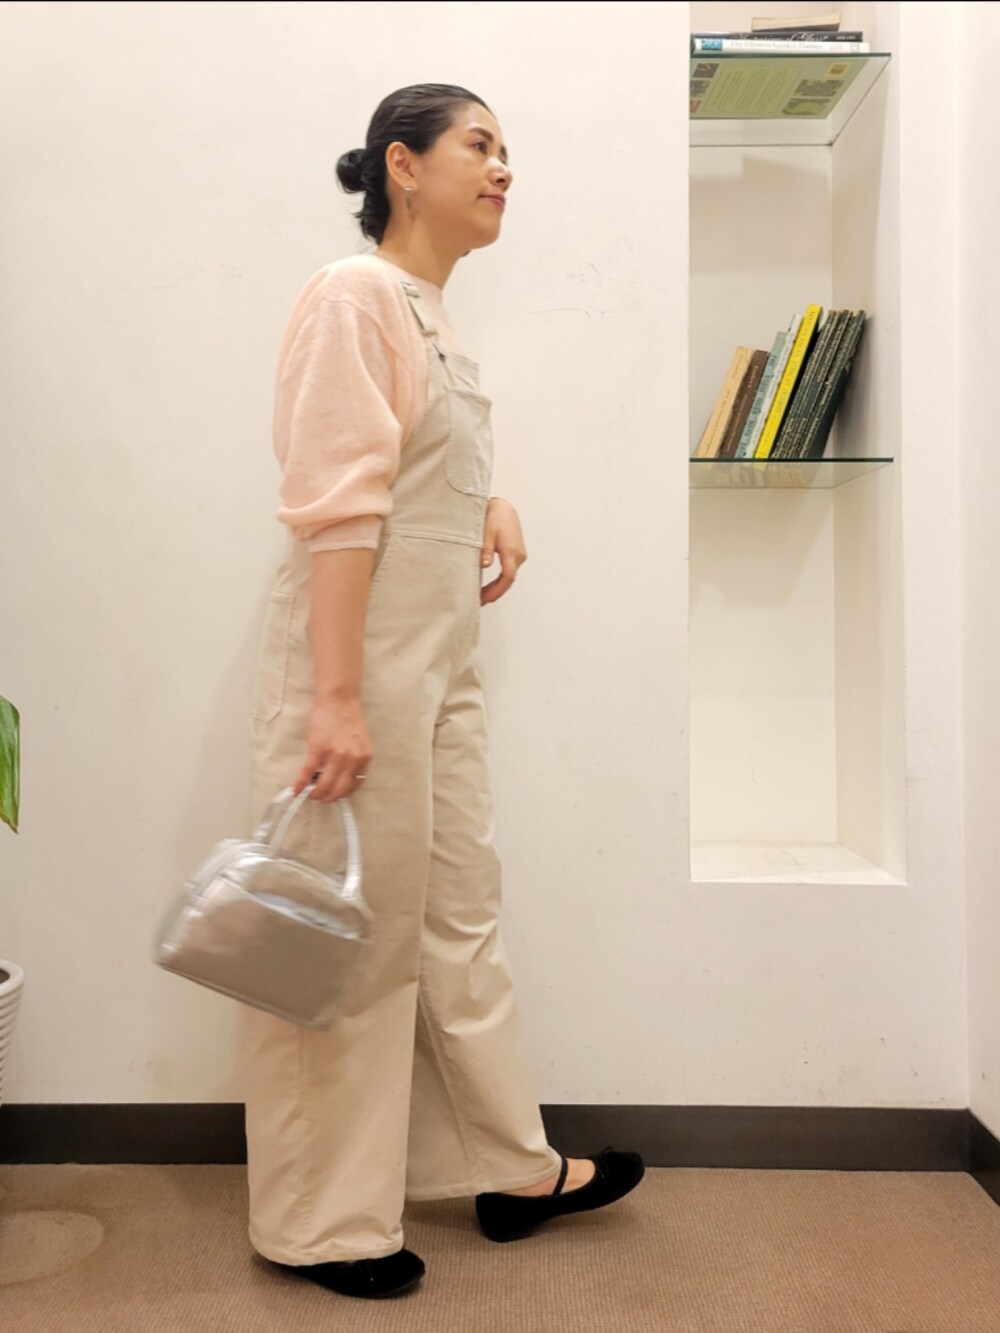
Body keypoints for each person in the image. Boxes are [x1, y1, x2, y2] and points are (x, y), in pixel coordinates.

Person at [243, 83, 645, 1301]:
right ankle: (321, 1224)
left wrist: (487, 500)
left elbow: (407, 468)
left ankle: (509, 1167)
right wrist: (335, 697)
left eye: (508, 149)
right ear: (401, 166)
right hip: (357, 668)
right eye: (480, 144)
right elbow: (334, 504)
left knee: (459, 916)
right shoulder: (354, 296)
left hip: (437, 668)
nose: (503, 166)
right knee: (341, 941)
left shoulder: (432, 322)